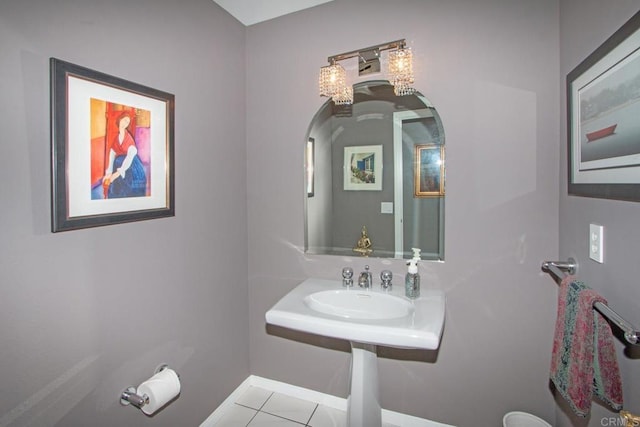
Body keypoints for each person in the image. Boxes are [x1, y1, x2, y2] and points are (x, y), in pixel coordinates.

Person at [102, 112, 147, 198]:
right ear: (120, 120)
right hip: (119, 164)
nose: (125, 123)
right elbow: (112, 155)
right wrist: (109, 172)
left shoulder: (129, 138)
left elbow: (129, 157)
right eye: (124, 120)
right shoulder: (116, 138)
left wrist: (117, 174)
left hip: (131, 165)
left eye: (127, 122)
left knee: (129, 191)